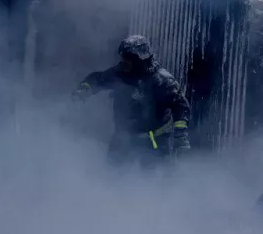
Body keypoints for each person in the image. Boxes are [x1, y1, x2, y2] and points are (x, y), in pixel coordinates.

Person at [72, 34, 192, 169]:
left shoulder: (162, 80)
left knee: (152, 184)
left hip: (155, 145)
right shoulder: (119, 75)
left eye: (130, 57)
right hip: (122, 143)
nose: (125, 61)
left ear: (141, 59)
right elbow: (97, 79)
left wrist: (181, 136)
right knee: (113, 181)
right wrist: (83, 90)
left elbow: (180, 106)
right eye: (124, 56)